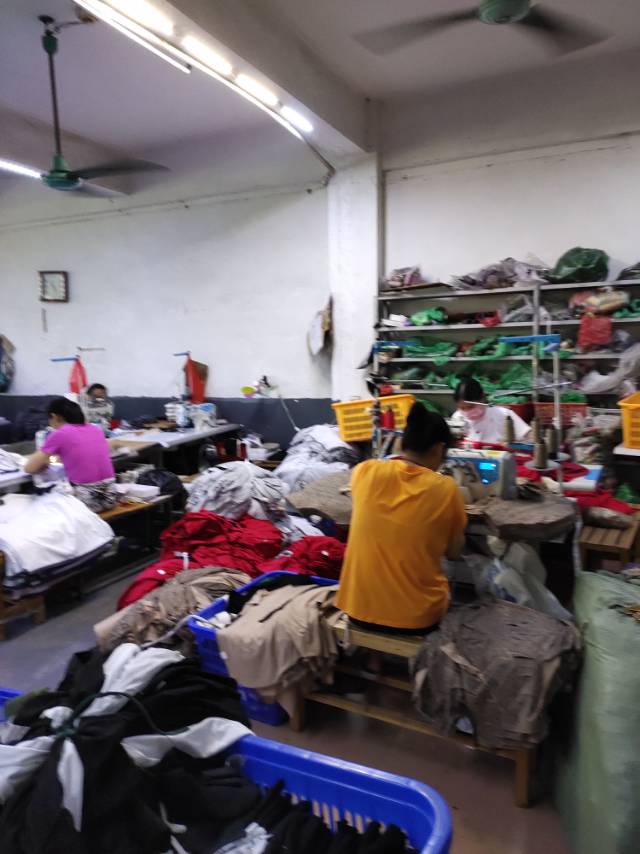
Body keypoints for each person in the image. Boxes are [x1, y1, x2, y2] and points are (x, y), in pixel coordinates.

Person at [336, 403, 467, 634]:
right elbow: (454, 554)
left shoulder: (365, 471)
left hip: (357, 610)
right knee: (454, 583)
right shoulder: (446, 489)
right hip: (417, 619)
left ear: (401, 442)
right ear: (439, 449)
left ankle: (373, 652)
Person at [25, 397, 117, 512]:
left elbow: (29, 468)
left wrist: (45, 460)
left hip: (87, 502)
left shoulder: (61, 433)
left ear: (54, 417)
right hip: (110, 497)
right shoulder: (95, 429)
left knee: (35, 498)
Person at [453, 377, 531, 444]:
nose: (467, 412)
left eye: (471, 407)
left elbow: (529, 435)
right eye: (462, 408)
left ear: (482, 398)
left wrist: (514, 445)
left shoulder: (504, 414)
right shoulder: (457, 418)